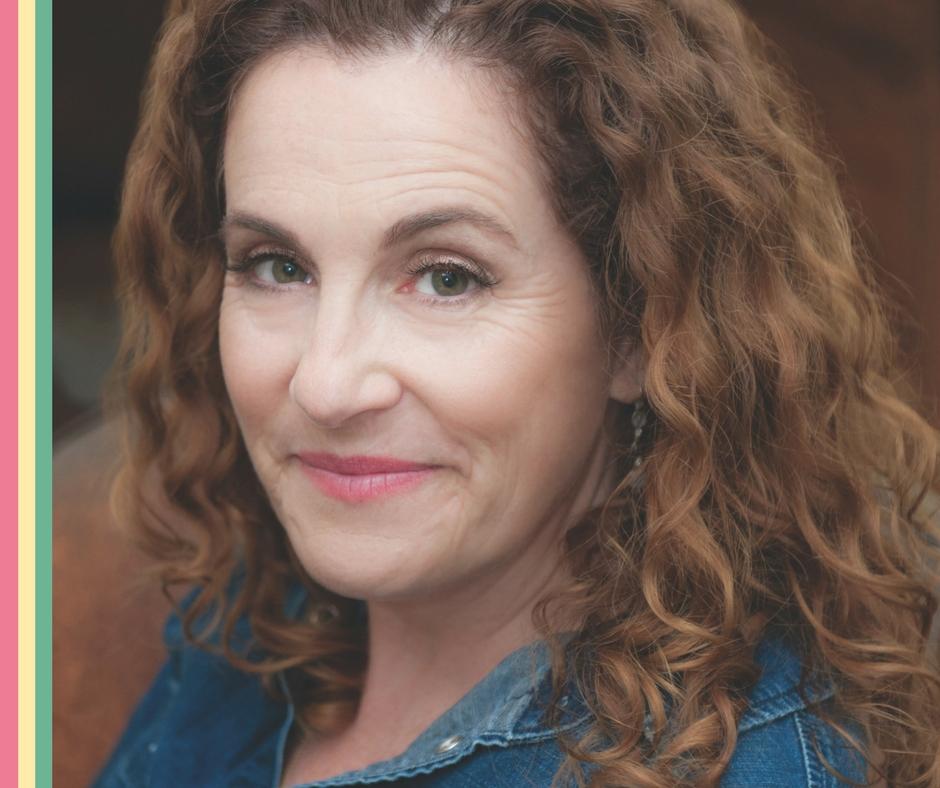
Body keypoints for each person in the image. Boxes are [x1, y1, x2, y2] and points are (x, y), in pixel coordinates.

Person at [92, 0, 940, 785]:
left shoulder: (749, 766)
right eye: (278, 267)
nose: (326, 384)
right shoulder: (254, 623)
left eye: (446, 278)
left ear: (641, 326)